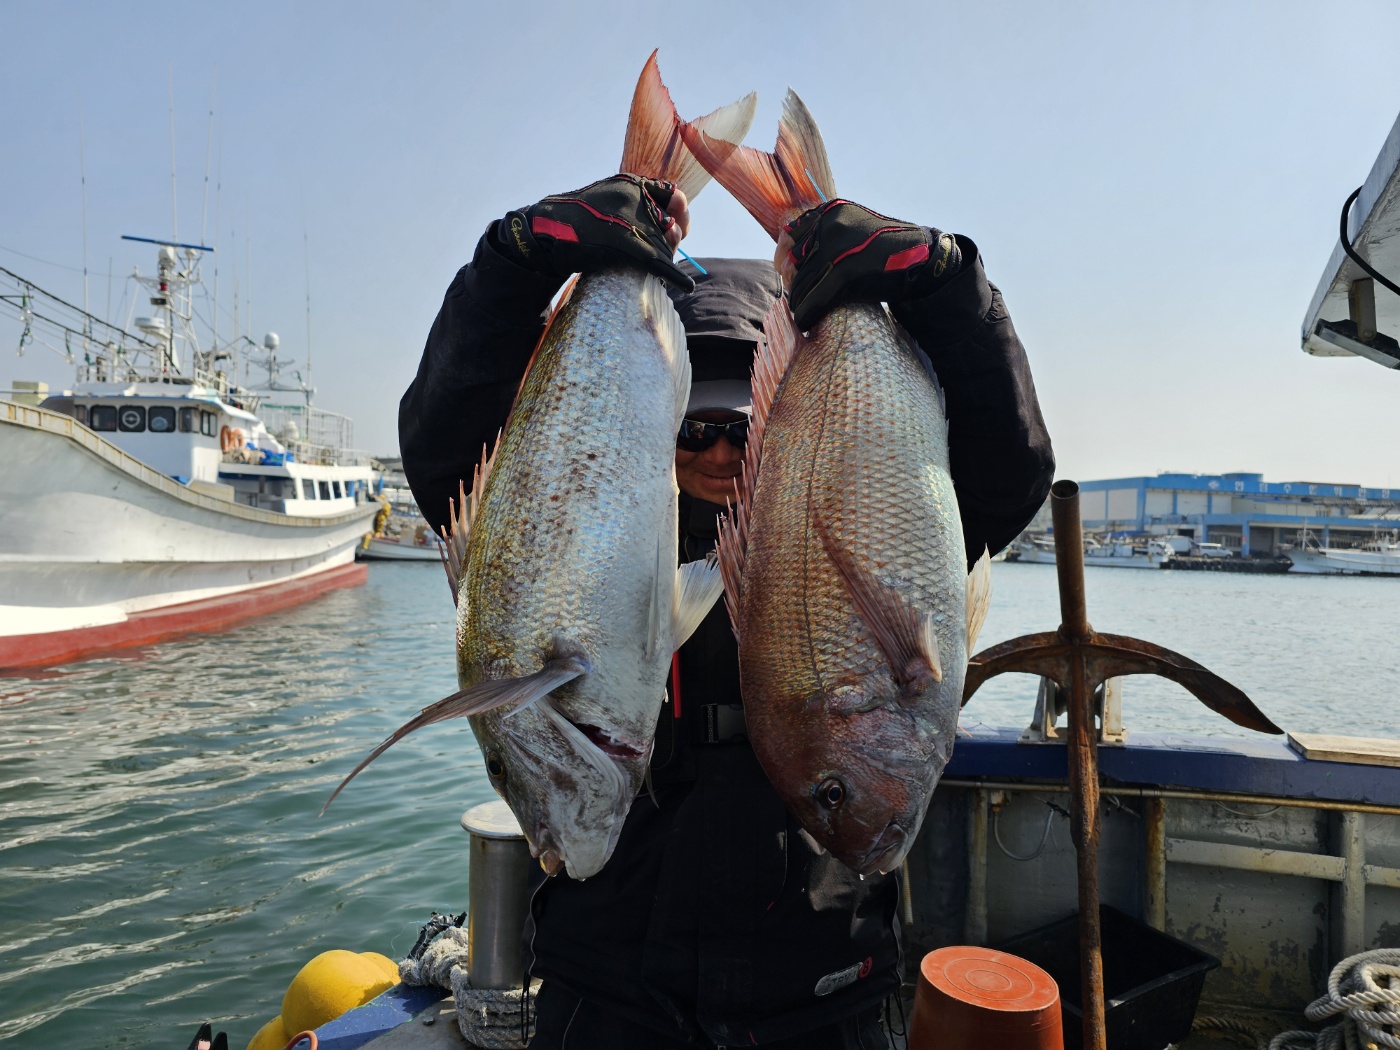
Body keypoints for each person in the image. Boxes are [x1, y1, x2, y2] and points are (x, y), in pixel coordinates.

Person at [399, 175, 1054, 1049]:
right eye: (691, 429)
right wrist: (510, 263)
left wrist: (943, 280)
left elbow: (1011, 470)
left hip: (825, 985)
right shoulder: (599, 514)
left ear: (780, 411)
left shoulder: (840, 496)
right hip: (611, 990)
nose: (716, 451)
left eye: (740, 429)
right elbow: (451, 448)